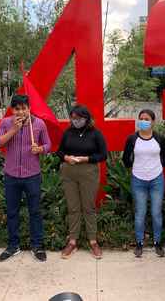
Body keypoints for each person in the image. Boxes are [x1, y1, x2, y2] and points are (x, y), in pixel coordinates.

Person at [0, 95, 52, 262]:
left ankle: (37, 245)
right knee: (12, 212)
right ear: (13, 110)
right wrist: (14, 130)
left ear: (29, 108)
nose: (20, 112)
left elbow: (49, 145)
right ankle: (13, 246)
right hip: (11, 175)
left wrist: (40, 149)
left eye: (23, 108)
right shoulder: (6, 123)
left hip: (32, 175)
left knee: (35, 211)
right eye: (17, 109)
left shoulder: (39, 124)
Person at [57, 105, 107, 260]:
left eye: (78, 118)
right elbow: (60, 151)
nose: (75, 121)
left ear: (86, 118)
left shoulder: (95, 134)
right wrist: (65, 158)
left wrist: (86, 158)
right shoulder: (68, 133)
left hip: (88, 172)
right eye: (73, 118)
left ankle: (93, 241)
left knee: (89, 207)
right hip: (69, 171)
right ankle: (72, 241)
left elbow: (103, 155)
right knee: (73, 207)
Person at [122, 109, 165, 258]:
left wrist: (155, 167)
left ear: (153, 121)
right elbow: (126, 159)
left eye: (147, 119)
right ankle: (139, 243)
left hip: (156, 179)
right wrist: (136, 167)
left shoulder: (160, 138)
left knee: (156, 213)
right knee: (140, 213)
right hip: (138, 179)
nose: (143, 121)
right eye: (141, 118)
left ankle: (157, 242)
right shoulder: (132, 139)